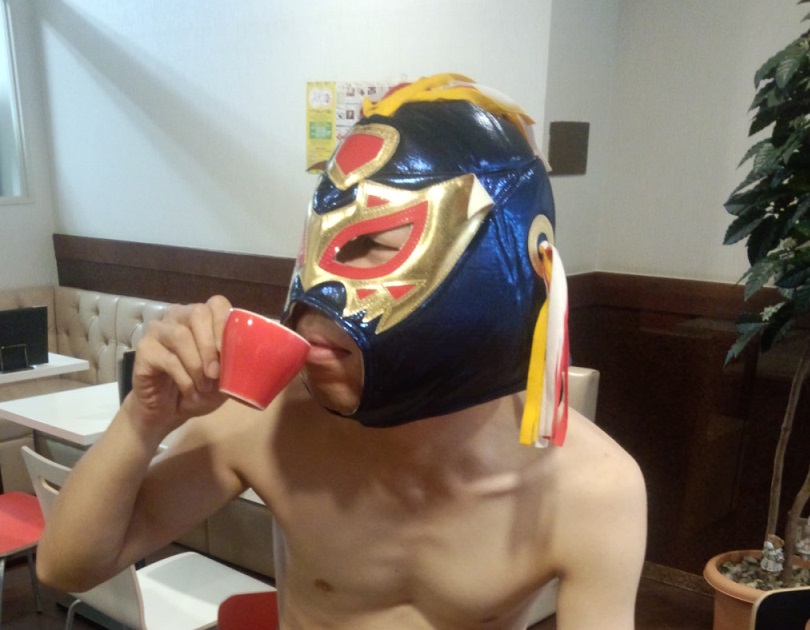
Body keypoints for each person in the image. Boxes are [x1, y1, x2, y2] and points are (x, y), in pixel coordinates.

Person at [36, 74, 647, 629]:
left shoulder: (590, 488)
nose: (317, 294)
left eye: (374, 243)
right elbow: (66, 567)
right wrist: (143, 421)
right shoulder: (269, 419)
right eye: (315, 245)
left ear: (505, 265)